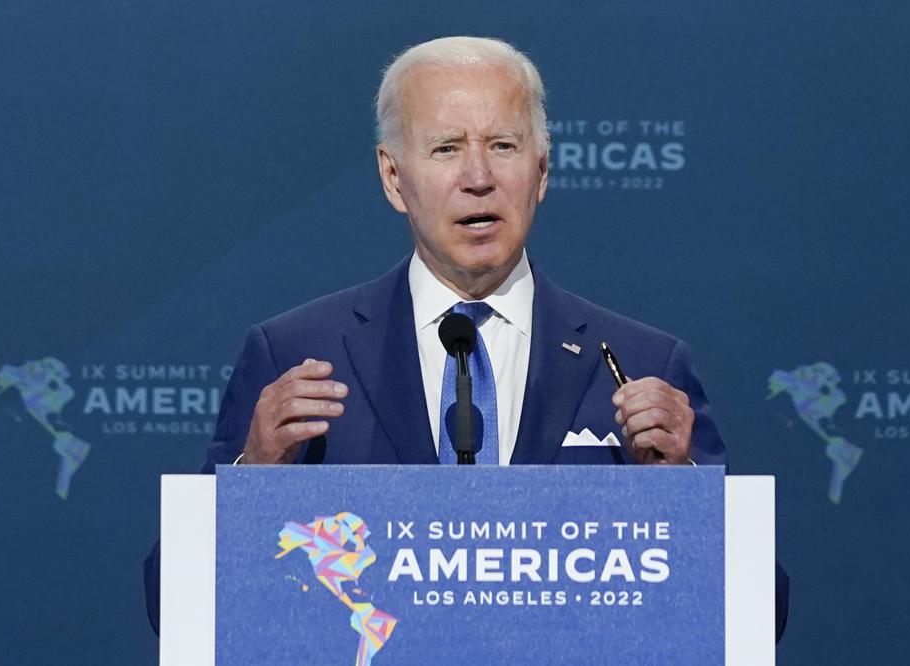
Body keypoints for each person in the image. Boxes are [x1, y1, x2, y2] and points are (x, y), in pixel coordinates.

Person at [144, 35, 789, 641]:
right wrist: (251, 480)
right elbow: (171, 604)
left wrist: (681, 490)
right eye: (446, 148)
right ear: (394, 178)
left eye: (503, 146)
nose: (478, 176)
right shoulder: (295, 353)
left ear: (541, 171)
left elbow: (762, 612)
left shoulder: (645, 363)